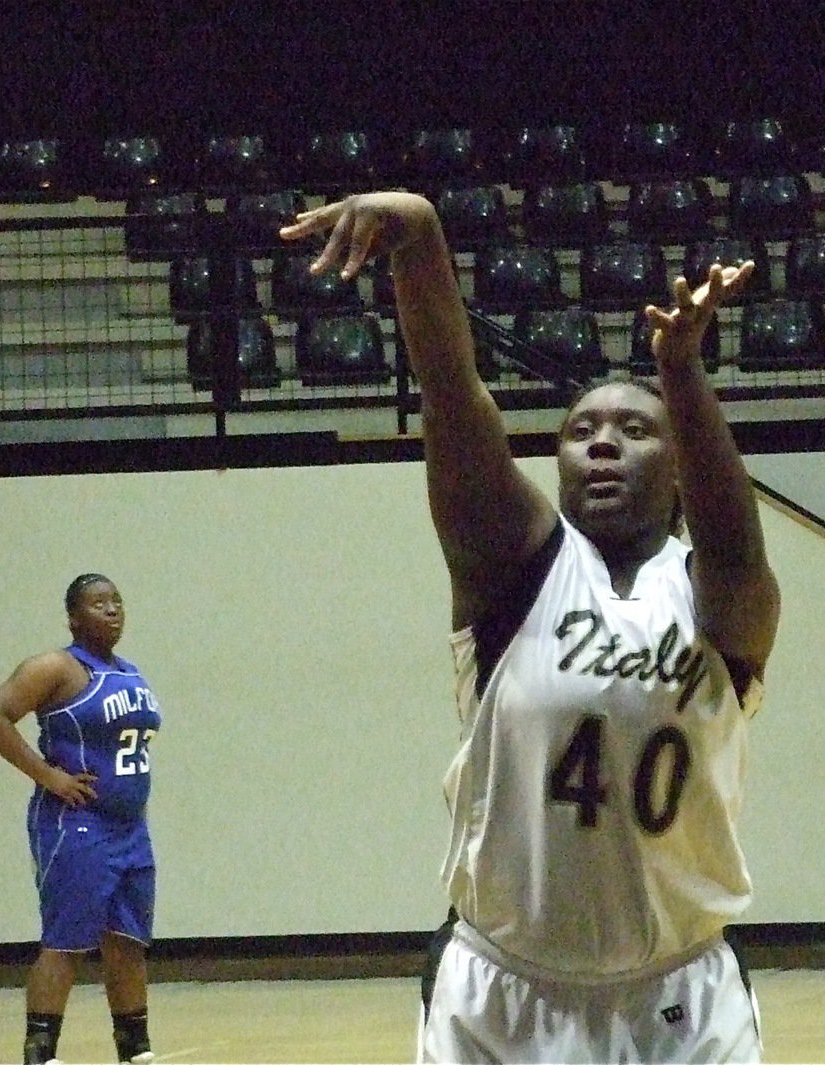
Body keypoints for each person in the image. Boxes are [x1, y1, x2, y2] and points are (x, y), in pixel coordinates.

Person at [282, 192, 780, 1063]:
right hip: (502, 990)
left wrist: (683, 374)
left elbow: (737, 549)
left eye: (635, 429)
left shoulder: (713, 598)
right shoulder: (516, 574)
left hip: (680, 996)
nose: (602, 444)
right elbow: (452, 394)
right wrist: (421, 243)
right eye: (582, 430)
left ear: (678, 468)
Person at [0, 574, 162, 1065]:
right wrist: (48, 776)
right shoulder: (56, 666)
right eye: (99, 603)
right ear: (74, 617)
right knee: (67, 941)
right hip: (77, 825)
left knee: (127, 942)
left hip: (130, 829)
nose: (112, 609)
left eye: (117, 600)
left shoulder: (128, 671)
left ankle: (135, 1048)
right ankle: (40, 1053)